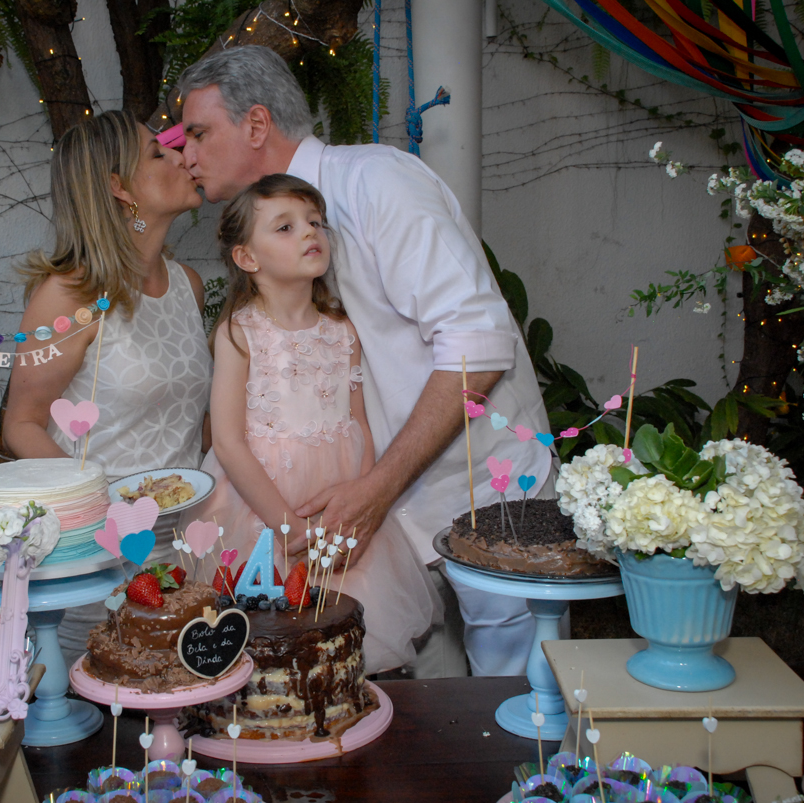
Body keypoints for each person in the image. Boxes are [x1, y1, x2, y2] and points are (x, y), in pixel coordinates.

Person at [177, 47, 554, 677]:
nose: (186, 153)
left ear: (256, 125)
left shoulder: (379, 182)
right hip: (377, 516)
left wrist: (377, 490)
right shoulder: (259, 295)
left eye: (197, 132)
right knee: (401, 714)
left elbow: (479, 346)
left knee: (516, 704)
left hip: (479, 491)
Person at [189, 174, 437, 674]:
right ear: (248, 258)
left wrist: (360, 503)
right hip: (259, 504)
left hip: (336, 503)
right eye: (285, 227)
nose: (309, 233)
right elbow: (230, 442)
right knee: (264, 636)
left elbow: (358, 424)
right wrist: (285, 523)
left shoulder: (343, 328)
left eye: (315, 222)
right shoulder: (240, 332)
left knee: (342, 636)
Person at [3, 109, 213, 664]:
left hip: (182, 545)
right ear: (119, 188)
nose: (182, 156)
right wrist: (101, 516)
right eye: (157, 152)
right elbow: (20, 424)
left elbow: (196, 418)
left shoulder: (188, 286)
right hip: (94, 554)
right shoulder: (68, 296)